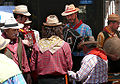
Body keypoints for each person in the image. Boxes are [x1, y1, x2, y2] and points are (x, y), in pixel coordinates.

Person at [30, 15, 73, 84]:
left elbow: (32, 67)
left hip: (42, 80)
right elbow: (69, 66)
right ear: (59, 29)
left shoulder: (37, 45)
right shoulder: (64, 45)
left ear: (45, 29)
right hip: (60, 80)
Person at [61, 4, 95, 72]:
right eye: (67, 16)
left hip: (82, 58)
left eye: (71, 15)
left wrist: (82, 46)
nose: (69, 18)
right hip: (68, 58)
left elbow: (91, 46)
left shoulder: (86, 28)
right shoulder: (65, 28)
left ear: (76, 14)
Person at [0, 17, 32, 84]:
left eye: (17, 30)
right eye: (13, 30)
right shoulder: (1, 43)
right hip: (6, 77)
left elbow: (24, 58)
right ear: (6, 30)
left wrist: (28, 74)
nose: (16, 32)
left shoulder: (19, 41)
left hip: (18, 75)